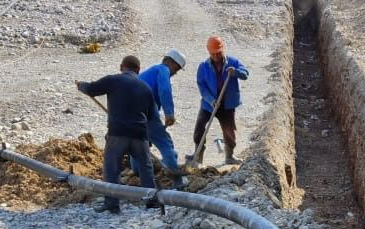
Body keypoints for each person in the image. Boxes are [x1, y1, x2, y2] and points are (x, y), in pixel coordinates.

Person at [75, 55, 159, 214]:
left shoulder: (113, 80)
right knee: (146, 169)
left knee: (112, 168)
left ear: (121, 67)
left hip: (118, 133)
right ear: (138, 70)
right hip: (140, 134)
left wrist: (80, 85)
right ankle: (152, 202)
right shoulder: (146, 88)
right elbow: (151, 116)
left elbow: (91, 89)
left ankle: (112, 203)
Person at [132, 49, 186, 188]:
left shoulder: (146, 73)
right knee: (165, 143)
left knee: (137, 144)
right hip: (146, 112)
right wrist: (169, 113)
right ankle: (178, 181)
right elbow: (165, 90)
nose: (175, 73)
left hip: (130, 114)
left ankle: (138, 173)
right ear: (170, 62)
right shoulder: (162, 70)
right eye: (177, 68)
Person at [190, 35, 249, 165]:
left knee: (229, 131)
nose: (216, 56)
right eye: (213, 53)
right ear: (208, 51)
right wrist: (211, 100)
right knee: (199, 129)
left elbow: (245, 74)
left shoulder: (233, 62)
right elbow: (202, 87)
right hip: (209, 104)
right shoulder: (203, 67)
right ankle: (198, 157)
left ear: (223, 49)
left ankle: (229, 157)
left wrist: (236, 72)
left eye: (219, 53)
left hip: (227, 104)